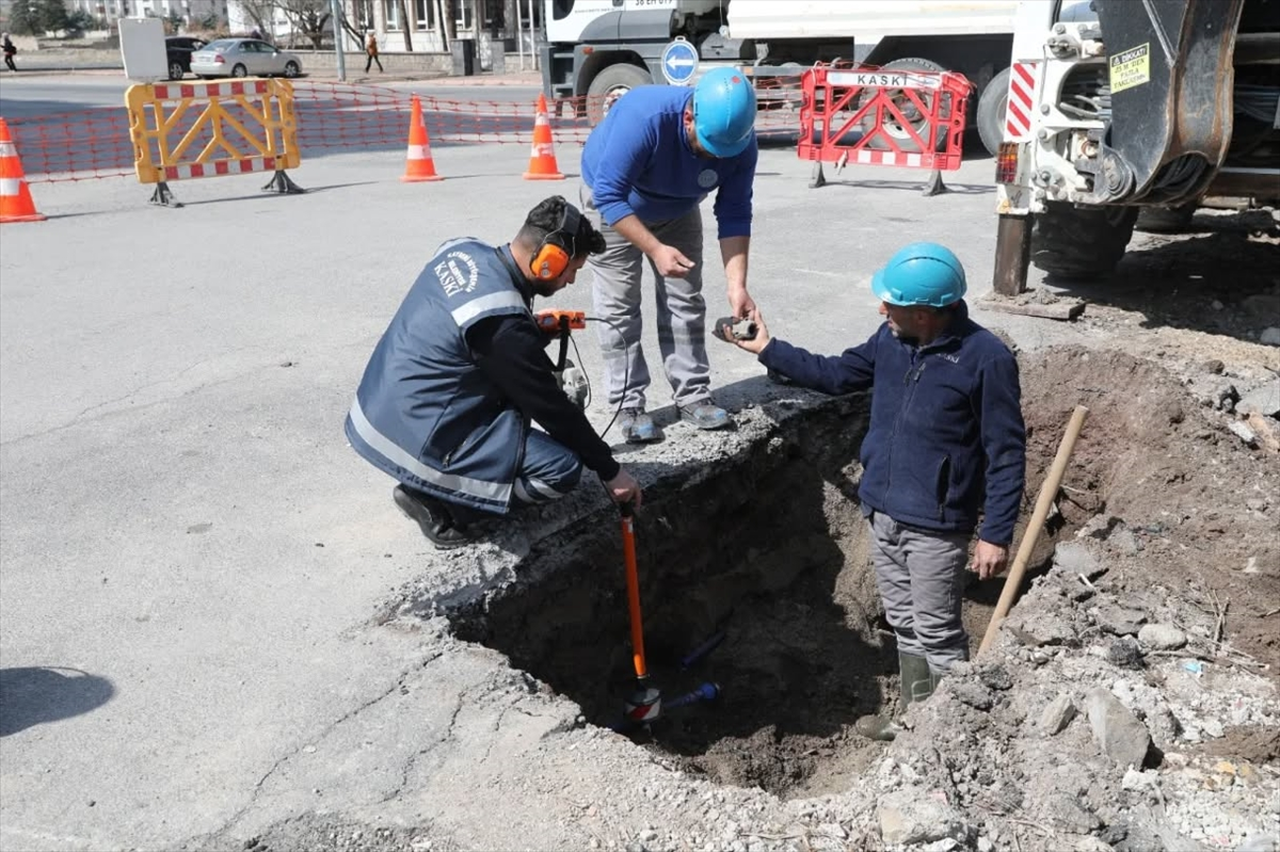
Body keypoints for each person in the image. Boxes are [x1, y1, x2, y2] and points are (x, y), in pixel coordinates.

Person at [722, 242, 1026, 740]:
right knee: (905, 623)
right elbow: (837, 374)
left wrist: (994, 532)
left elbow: (1006, 451)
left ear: (925, 314)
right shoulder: (890, 340)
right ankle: (914, 722)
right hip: (882, 512)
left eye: (891, 303)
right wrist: (767, 350)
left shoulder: (985, 359)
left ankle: (949, 743)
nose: (881, 308)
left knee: (939, 634)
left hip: (935, 525)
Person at [345, 196, 643, 549]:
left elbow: (466, 336)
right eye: (572, 270)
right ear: (549, 262)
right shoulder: (502, 325)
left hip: (382, 406)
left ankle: (443, 484)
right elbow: (548, 405)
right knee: (560, 470)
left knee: (510, 413)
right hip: (412, 433)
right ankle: (443, 504)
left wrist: (528, 332)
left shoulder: (464, 252)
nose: (570, 281)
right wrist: (610, 471)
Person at [580, 66, 759, 444]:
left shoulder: (740, 142)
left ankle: (693, 394)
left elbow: (734, 212)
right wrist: (655, 249)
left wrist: (736, 285)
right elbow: (608, 196)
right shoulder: (644, 116)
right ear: (689, 116)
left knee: (686, 302)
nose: (714, 158)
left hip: (678, 209)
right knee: (619, 307)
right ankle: (627, 404)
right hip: (613, 206)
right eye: (709, 147)